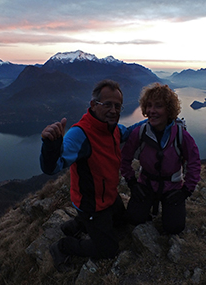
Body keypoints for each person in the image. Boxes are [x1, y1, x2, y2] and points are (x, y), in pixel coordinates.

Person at [40, 79, 143, 271]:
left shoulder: (113, 129)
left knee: (123, 225)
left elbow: (129, 132)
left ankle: (77, 225)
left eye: (118, 106)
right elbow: (53, 166)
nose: (113, 110)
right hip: (92, 204)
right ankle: (62, 247)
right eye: (107, 105)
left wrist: (155, 120)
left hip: (109, 198)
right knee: (109, 249)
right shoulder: (80, 134)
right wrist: (51, 146)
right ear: (94, 105)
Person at [121, 83, 201, 235]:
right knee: (133, 218)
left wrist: (185, 192)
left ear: (169, 110)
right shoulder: (141, 131)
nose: (152, 111)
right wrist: (132, 183)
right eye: (149, 106)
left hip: (172, 188)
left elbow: (194, 163)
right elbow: (125, 158)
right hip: (146, 185)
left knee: (174, 228)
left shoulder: (181, 135)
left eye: (158, 106)